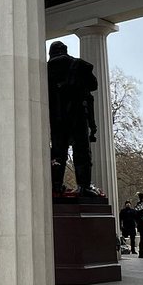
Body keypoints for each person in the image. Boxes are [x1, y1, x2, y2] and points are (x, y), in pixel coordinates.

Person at [46, 41, 99, 195]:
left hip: (56, 116)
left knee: (58, 152)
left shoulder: (45, 69)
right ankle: (84, 186)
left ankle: (56, 185)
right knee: (82, 151)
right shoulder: (80, 65)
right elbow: (93, 85)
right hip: (78, 115)